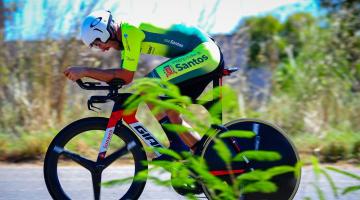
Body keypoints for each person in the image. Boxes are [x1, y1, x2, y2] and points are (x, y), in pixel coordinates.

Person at [64, 10, 222, 160]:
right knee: (170, 111)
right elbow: (122, 75)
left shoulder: (130, 31)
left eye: (98, 44)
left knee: (147, 87)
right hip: (202, 53)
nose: (103, 50)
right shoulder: (124, 37)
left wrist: (85, 71)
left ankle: (179, 147)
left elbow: (126, 76)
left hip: (204, 53)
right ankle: (202, 158)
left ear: (104, 33)